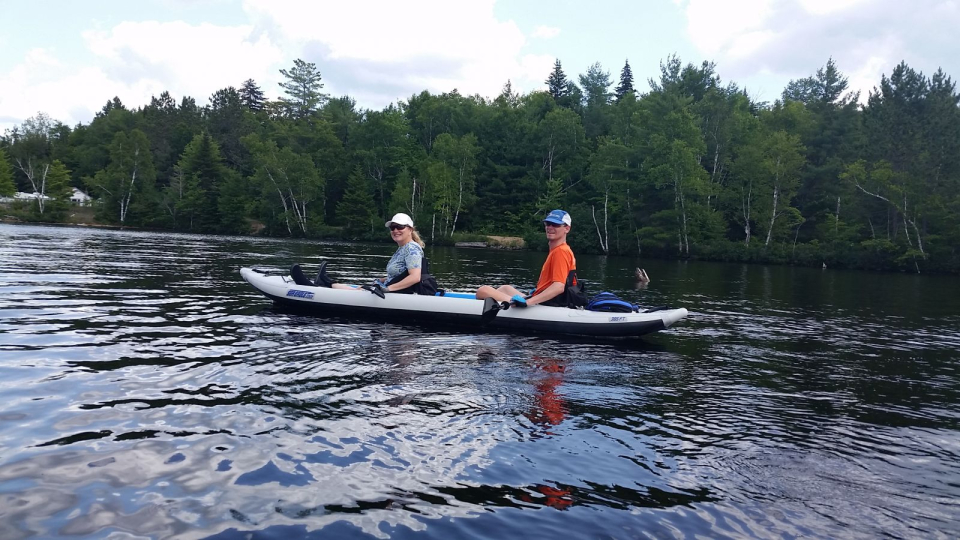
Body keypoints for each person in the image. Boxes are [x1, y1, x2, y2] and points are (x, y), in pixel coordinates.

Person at [293, 212, 437, 295]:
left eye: (399, 227)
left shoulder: (411, 248)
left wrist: (387, 288)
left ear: (410, 229)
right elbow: (402, 272)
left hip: (397, 292)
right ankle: (325, 282)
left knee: (359, 292)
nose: (395, 230)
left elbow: (415, 277)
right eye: (392, 228)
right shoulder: (403, 249)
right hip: (391, 287)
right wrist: (383, 279)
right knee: (360, 288)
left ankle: (321, 285)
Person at [476, 209, 584, 308]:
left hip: (548, 303)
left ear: (567, 228)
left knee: (483, 290)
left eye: (555, 225)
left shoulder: (561, 251)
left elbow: (558, 287)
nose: (550, 227)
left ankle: (510, 304)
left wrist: (528, 302)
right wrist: (538, 291)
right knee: (505, 288)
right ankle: (495, 307)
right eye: (548, 224)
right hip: (548, 300)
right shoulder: (561, 250)